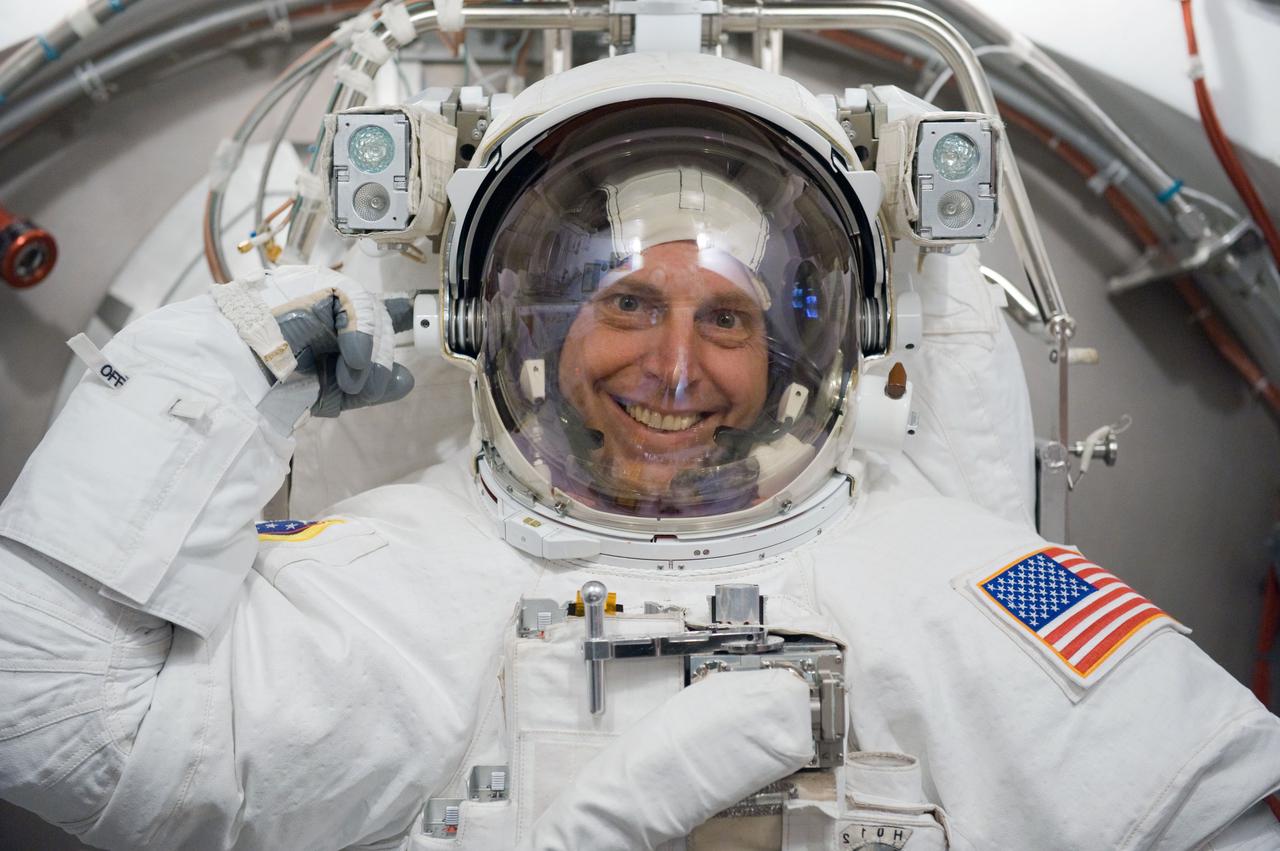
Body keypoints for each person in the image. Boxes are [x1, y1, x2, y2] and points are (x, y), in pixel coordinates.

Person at [2, 53, 1279, 851]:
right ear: (526, 325)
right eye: (627, 305)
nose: (674, 371)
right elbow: (43, 717)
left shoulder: (963, 584)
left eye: (724, 316)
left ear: (808, 344)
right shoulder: (392, 579)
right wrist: (204, 364)